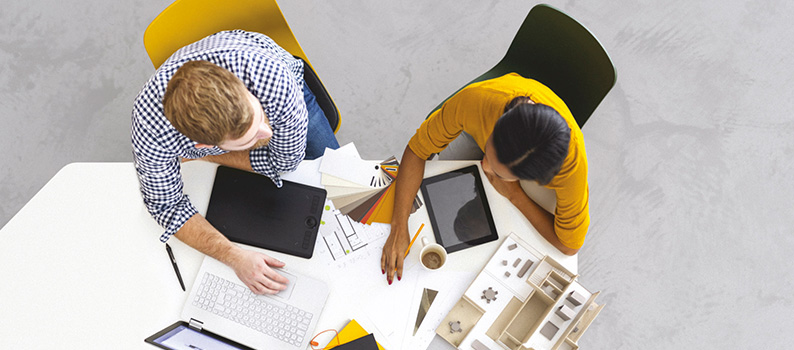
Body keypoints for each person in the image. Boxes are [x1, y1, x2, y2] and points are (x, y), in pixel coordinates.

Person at [132, 30, 338, 295]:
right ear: (204, 144)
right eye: (249, 138)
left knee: (339, 180)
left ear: (240, 86)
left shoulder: (270, 78)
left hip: (283, 78)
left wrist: (207, 157)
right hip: (202, 139)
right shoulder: (150, 131)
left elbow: (286, 161)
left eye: (258, 115)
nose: (267, 131)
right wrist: (234, 257)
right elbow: (167, 207)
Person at [381, 73, 589, 284]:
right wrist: (399, 225)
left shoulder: (570, 169)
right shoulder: (476, 100)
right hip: (488, 111)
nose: (484, 166)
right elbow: (418, 150)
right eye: (488, 152)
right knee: (439, 178)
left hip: (530, 179)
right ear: (497, 125)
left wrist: (515, 194)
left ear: (534, 178)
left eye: (498, 172)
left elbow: (569, 245)